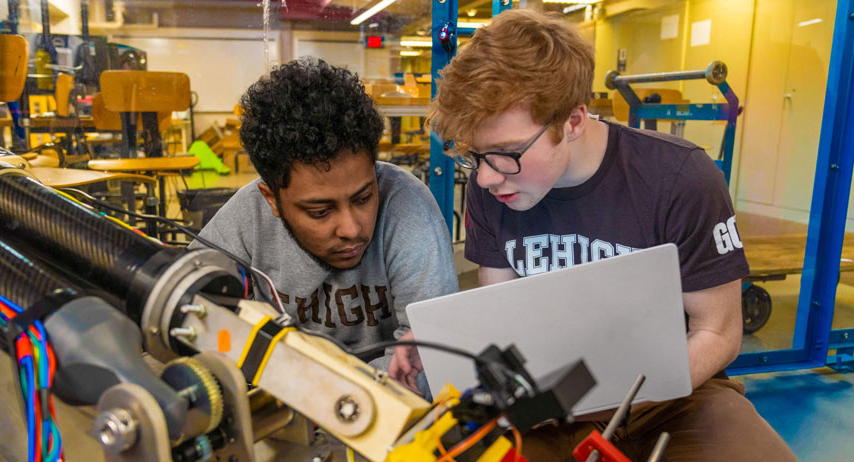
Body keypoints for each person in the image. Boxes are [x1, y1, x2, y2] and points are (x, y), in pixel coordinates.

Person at [427, 9, 795, 462]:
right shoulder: (496, 187)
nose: (484, 179)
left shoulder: (679, 177)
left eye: (506, 153)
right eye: (473, 155)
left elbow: (717, 332)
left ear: (574, 120)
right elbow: (500, 329)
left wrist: (610, 400)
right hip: (549, 403)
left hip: (675, 396)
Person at [193, 58, 457, 393]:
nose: (351, 229)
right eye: (320, 211)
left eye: (363, 198)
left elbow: (434, 360)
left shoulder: (409, 207)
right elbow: (194, 320)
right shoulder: (246, 218)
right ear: (271, 199)